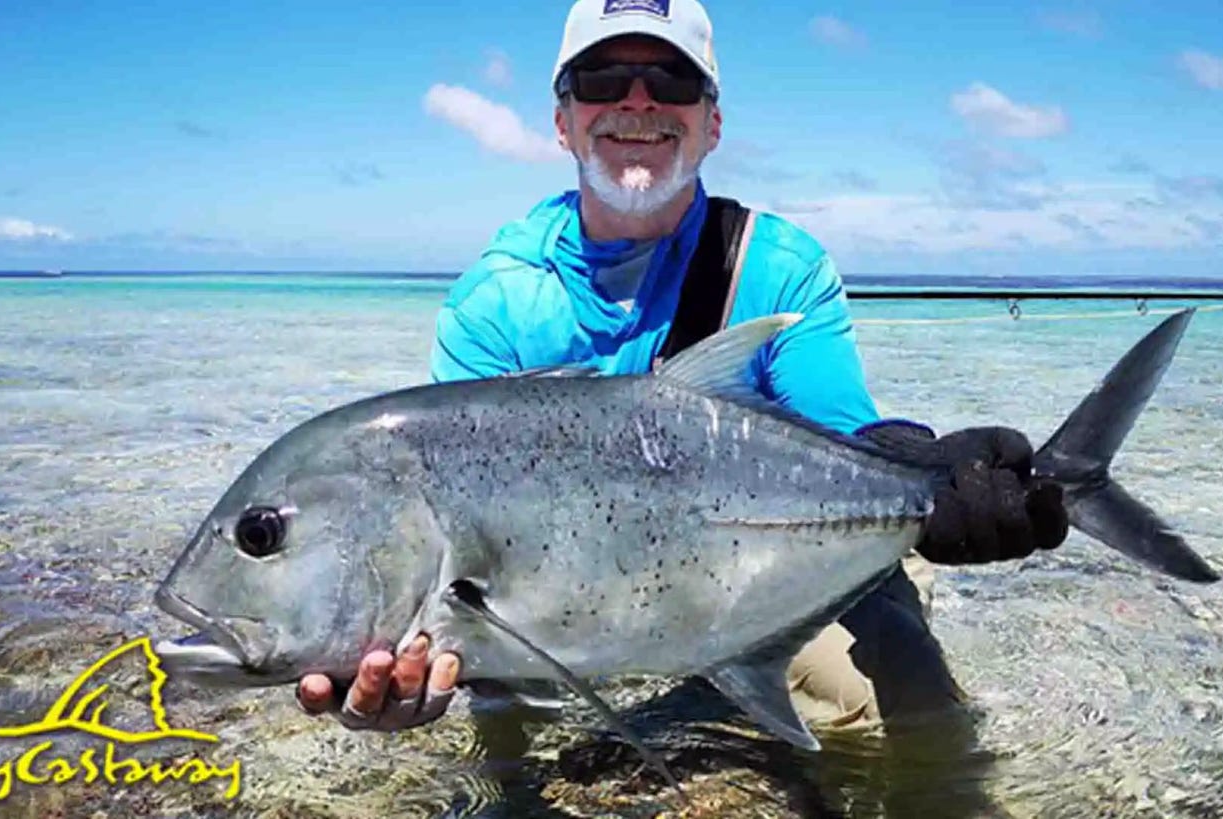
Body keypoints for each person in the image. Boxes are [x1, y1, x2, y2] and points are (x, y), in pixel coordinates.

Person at [297, 0, 1067, 744]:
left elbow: (844, 435)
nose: (638, 102)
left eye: (671, 81)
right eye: (603, 80)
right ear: (562, 121)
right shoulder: (496, 303)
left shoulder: (777, 268)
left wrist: (928, 474)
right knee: (502, 736)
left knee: (903, 693)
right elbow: (450, 538)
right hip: (559, 613)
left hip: (752, 580)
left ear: (712, 123)